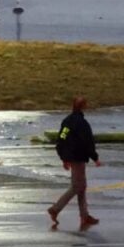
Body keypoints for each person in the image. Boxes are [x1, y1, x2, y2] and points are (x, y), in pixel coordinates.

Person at [48, 96, 100, 228]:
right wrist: (95, 158)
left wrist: (64, 157)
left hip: (71, 158)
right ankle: (55, 209)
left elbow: (62, 139)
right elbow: (87, 142)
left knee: (81, 187)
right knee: (77, 187)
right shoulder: (82, 124)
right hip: (79, 159)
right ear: (83, 107)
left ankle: (84, 216)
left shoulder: (67, 122)